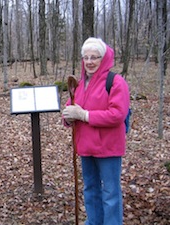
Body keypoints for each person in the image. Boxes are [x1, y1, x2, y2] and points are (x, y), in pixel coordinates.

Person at [62, 37, 130, 225]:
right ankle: (94, 221)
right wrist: (68, 117)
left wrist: (84, 115)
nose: (90, 62)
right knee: (90, 189)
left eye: (95, 57)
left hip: (108, 147)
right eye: (86, 57)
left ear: (104, 58)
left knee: (110, 192)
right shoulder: (81, 83)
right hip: (85, 147)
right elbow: (71, 107)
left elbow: (117, 114)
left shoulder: (115, 82)